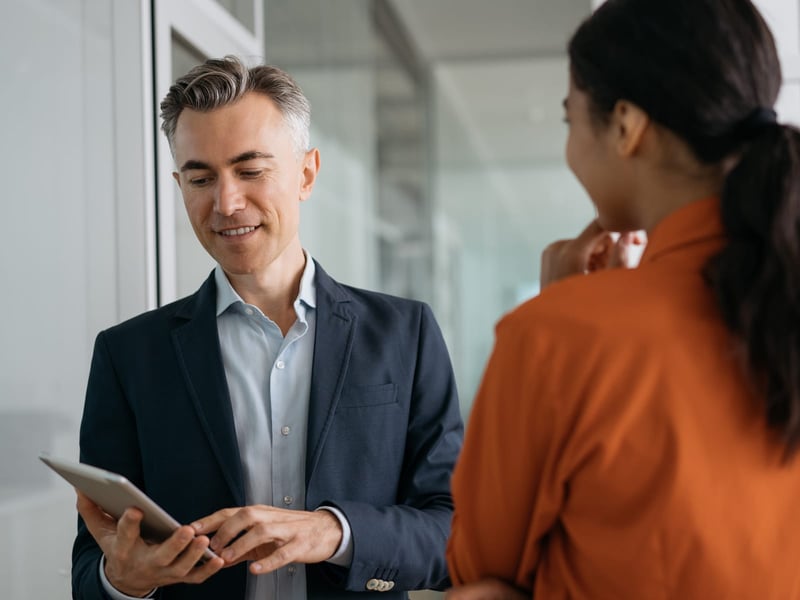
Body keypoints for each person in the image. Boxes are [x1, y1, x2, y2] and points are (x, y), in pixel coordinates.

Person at [72, 56, 463, 600]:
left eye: (251, 171)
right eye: (200, 177)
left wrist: (334, 531)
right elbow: (92, 569)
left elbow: (456, 537)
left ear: (306, 173)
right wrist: (121, 582)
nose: (227, 203)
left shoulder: (406, 334)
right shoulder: (129, 356)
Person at [446, 0, 800, 598]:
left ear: (626, 126)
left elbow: (478, 575)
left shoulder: (556, 337)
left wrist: (564, 319)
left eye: (570, 119)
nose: (569, 142)